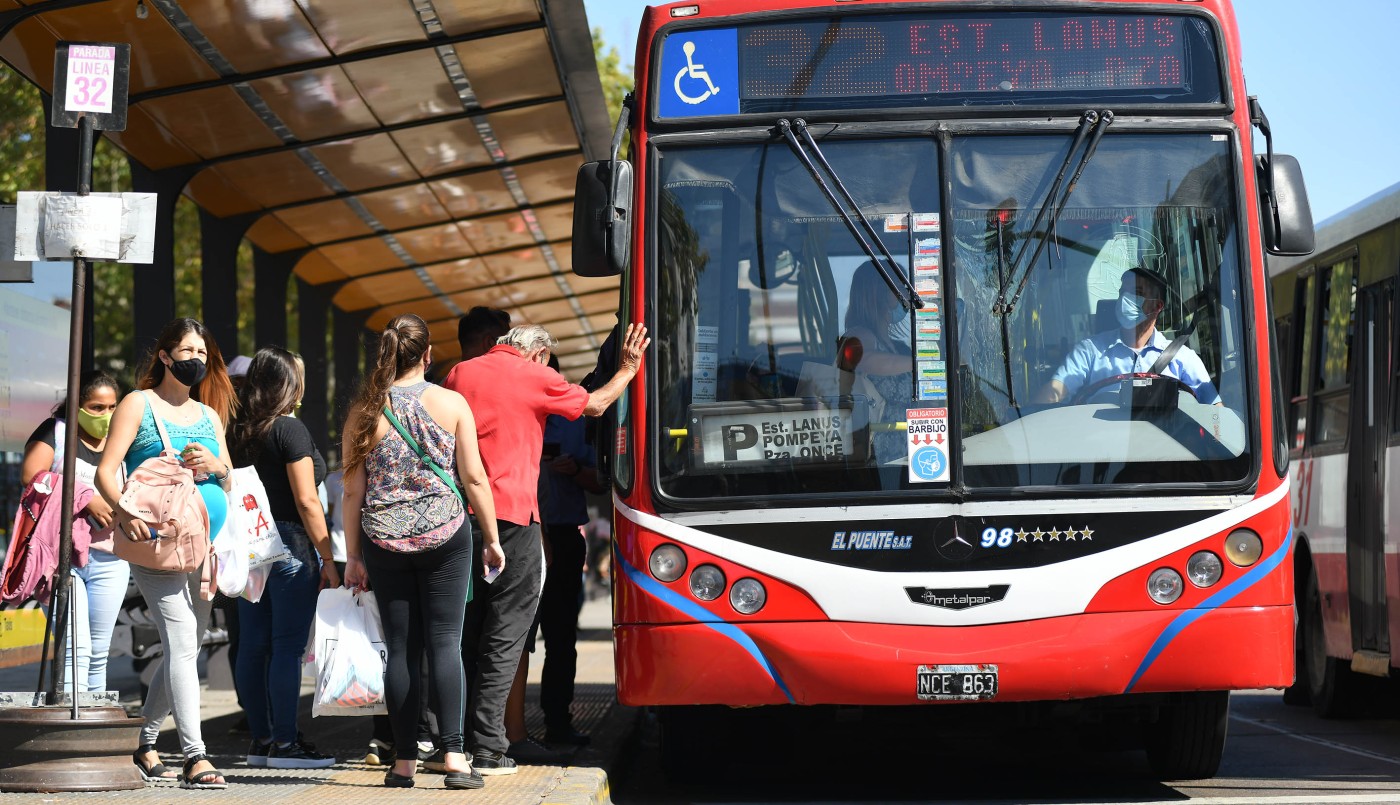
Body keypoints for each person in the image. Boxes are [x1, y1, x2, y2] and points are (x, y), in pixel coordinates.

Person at [441, 321, 648, 775]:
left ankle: (451, 742)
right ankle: (490, 747)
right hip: (513, 519)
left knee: (463, 635)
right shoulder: (535, 375)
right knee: (507, 635)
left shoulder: (460, 373)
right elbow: (595, 404)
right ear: (537, 354)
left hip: (461, 519)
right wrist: (629, 369)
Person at [341, 313, 506, 790]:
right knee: (444, 644)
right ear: (429, 355)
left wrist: (353, 555)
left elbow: (353, 491)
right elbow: (474, 477)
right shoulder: (451, 403)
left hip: (382, 538)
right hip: (445, 535)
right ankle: (454, 757)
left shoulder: (364, 410)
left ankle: (403, 764)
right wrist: (492, 539)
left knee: (401, 651)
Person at [95, 317, 237, 789]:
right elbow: (106, 471)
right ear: (164, 356)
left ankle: (147, 742)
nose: (195, 360)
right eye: (187, 351)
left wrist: (215, 464)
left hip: (202, 545)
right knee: (181, 645)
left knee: (187, 647)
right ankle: (196, 756)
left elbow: (229, 479)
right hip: (154, 544)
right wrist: (122, 511)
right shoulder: (138, 403)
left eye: (202, 353)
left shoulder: (208, 415)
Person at [227, 347, 339, 769]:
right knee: (287, 647)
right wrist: (328, 559)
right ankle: (287, 746)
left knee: (253, 645)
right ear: (289, 383)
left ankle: (263, 740)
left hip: (250, 548)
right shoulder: (288, 429)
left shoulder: (237, 431)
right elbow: (307, 501)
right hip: (289, 544)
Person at [20, 370, 129, 695]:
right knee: (74, 648)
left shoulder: (121, 439)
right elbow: (31, 478)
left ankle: (95, 726)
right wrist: (85, 498)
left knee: (98, 653)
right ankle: (72, 728)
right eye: (96, 407)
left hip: (110, 558)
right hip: (60, 558)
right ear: (76, 405)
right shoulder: (56, 432)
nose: (105, 415)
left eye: (112, 407)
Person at [536, 356, 604, 746]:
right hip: (517, 535)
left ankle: (558, 721)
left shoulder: (576, 419)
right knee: (505, 638)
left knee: (561, 637)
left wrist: (574, 470)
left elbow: (601, 480)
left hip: (562, 536)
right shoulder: (507, 413)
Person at [1034, 266, 1220, 405]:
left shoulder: (1182, 357)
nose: (1125, 298)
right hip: (1101, 452)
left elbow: (1215, 413)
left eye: (1136, 293)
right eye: (1123, 292)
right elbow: (1056, 390)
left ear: (1157, 306)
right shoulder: (1090, 351)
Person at [840, 261, 913, 464]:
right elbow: (862, 359)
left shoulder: (900, 348)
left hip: (909, 451)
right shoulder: (859, 334)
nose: (907, 293)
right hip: (877, 456)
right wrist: (920, 364)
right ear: (878, 292)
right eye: (899, 286)